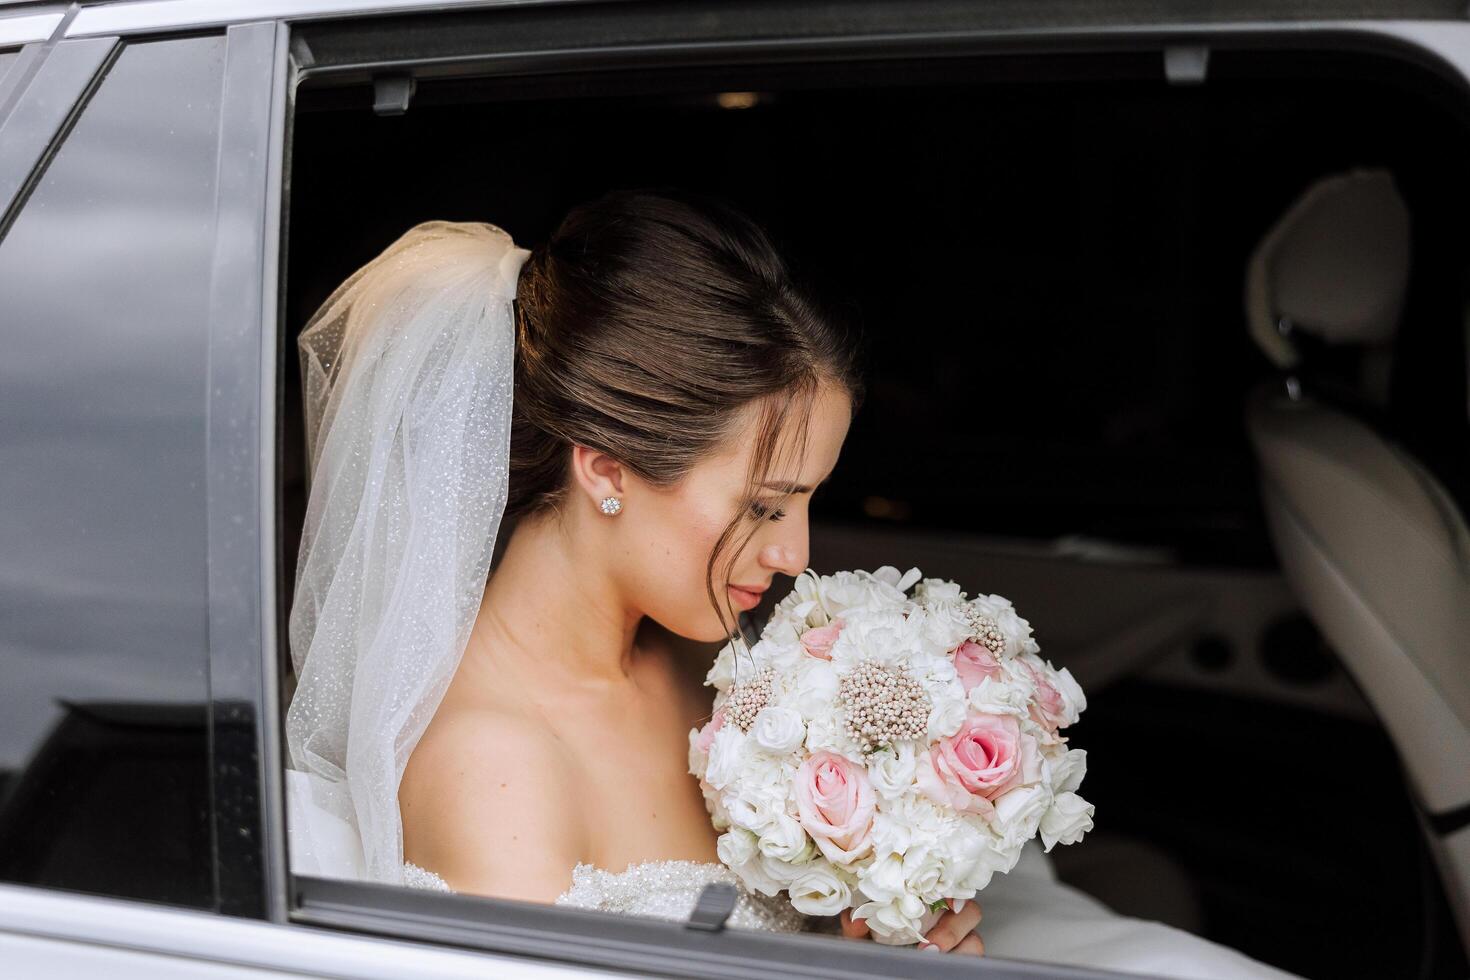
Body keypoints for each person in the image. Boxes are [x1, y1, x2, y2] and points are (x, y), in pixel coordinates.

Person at [283, 188, 1298, 975]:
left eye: (807, 500)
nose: (795, 552)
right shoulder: (493, 767)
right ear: (605, 468)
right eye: (765, 503)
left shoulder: (691, 656)